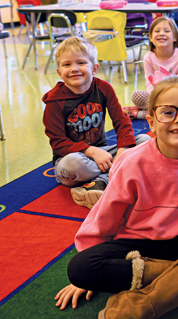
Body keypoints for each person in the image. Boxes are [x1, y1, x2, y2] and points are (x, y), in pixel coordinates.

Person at [55, 76, 178, 319]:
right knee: (80, 268)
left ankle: (143, 306)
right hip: (136, 244)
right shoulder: (132, 163)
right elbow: (105, 217)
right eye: (168, 112)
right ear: (151, 122)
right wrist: (86, 274)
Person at [42, 37, 149, 209]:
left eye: (81, 62)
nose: (74, 69)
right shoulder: (54, 102)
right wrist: (90, 151)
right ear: (59, 72)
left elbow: (122, 121)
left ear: (95, 68)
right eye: (67, 65)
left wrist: (122, 149)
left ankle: (100, 182)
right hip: (74, 159)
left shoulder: (104, 88)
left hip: (104, 153)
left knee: (146, 142)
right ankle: (121, 172)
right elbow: (58, 142)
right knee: (72, 166)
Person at [127, 17, 178, 120]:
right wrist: (157, 97)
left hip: (176, 96)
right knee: (136, 95)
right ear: (150, 37)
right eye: (157, 31)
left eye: (167, 31)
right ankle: (163, 112)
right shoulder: (148, 57)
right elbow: (149, 83)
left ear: (175, 38)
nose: (161, 33)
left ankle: (141, 114)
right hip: (157, 96)